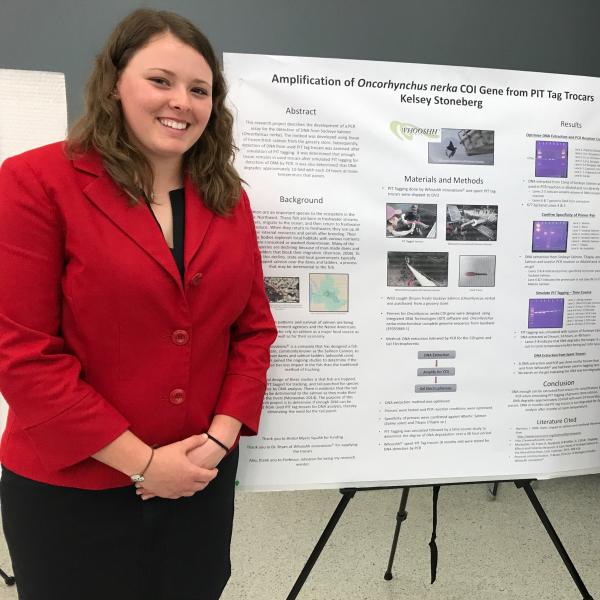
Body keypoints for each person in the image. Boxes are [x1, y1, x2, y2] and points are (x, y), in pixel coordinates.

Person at [0, 9, 276, 600]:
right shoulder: (35, 183)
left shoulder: (227, 200)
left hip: (200, 479)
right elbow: (23, 354)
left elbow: (253, 332)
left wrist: (218, 443)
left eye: (199, 89)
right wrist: (147, 466)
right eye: (161, 81)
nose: (182, 101)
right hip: (75, 488)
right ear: (114, 83)